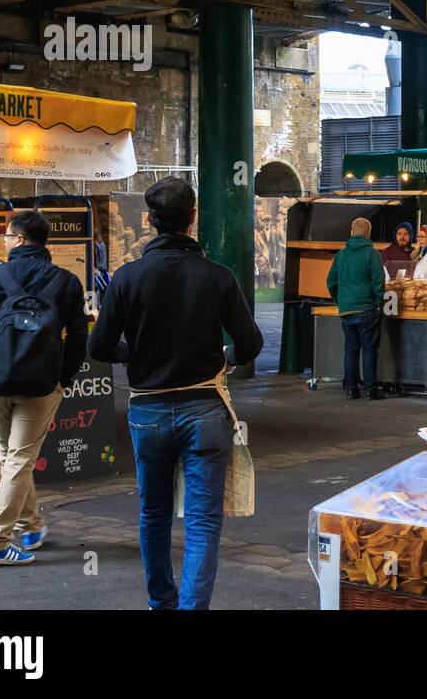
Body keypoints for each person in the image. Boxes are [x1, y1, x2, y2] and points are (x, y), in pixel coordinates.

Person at [87, 178, 263, 609]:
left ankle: (160, 603)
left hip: (147, 411)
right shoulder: (218, 276)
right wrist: (228, 357)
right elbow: (252, 342)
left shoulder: (126, 278)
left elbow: (98, 348)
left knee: (154, 514)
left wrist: (132, 351)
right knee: (203, 522)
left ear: (149, 221)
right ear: (193, 218)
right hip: (205, 410)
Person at [0, 210, 87, 567]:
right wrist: (64, 378)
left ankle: (29, 525)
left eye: (6, 236)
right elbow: (78, 336)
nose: (3, 241)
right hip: (41, 383)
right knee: (19, 458)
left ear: (18, 240)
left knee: (11, 457)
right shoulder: (66, 281)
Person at [324, 217, 387, 401]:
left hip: (346, 310)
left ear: (351, 233)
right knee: (369, 349)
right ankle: (370, 389)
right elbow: (378, 281)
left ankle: (351, 389)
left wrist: (340, 300)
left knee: (351, 349)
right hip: (367, 309)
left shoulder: (341, 255)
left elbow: (331, 282)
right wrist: (377, 302)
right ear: (368, 234)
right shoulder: (372, 253)